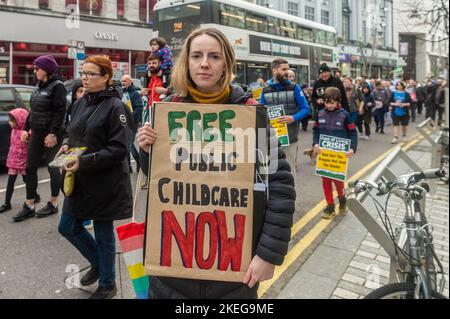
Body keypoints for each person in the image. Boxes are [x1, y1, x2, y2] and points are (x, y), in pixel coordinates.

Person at [136, 27, 296, 299]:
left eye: (214, 56)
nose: (205, 63)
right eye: (196, 55)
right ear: (186, 62)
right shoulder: (166, 108)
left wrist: (268, 255)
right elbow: (156, 174)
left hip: (234, 271)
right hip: (171, 270)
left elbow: (280, 184)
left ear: (226, 64)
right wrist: (144, 147)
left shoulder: (251, 114)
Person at [57, 55, 133, 299]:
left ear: (106, 78)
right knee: (68, 226)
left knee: (102, 230)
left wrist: (84, 161)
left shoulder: (115, 107)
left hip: (105, 181)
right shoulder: (79, 103)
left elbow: (119, 149)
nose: (84, 78)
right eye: (83, 73)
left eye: (91, 74)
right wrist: (67, 145)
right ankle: (99, 264)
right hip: (79, 177)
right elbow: (73, 132)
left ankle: (108, 284)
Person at [13, 55, 66, 222]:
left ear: (47, 70)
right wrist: (25, 129)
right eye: (34, 68)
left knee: (52, 167)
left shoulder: (58, 87)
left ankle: (54, 203)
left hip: (51, 134)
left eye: (37, 68)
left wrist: (53, 133)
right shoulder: (37, 87)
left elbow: (60, 112)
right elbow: (32, 111)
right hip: (36, 133)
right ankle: (29, 205)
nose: (34, 71)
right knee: (30, 167)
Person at [260, 58, 311, 176]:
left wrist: (293, 118)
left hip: (290, 139)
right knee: (270, 172)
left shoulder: (295, 87)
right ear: (274, 71)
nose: (287, 72)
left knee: (289, 172)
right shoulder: (265, 90)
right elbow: (261, 111)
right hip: (270, 138)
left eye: (288, 69)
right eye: (284, 69)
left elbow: (306, 109)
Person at [313, 87, 357, 219]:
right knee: (325, 181)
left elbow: (353, 133)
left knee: (338, 182)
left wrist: (352, 149)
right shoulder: (319, 114)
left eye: (332, 102)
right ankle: (330, 206)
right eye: (327, 102)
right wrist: (315, 144)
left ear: (338, 101)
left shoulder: (345, 115)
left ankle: (342, 198)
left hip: (339, 157)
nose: (329, 105)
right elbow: (316, 131)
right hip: (324, 156)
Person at [0, 108, 41, 213]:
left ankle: (34, 195)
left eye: (13, 120)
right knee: (10, 182)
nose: (10, 123)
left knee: (27, 181)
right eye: (10, 120)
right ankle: (7, 203)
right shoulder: (13, 130)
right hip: (13, 160)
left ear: (21, 120)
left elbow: (31, 146)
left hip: (24, 161)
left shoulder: (27, 132)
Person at [121, 74, 143, 173]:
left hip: (132, 122)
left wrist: (131, 116)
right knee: (127, 144)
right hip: (123, 122)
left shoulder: (135, 93)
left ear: (130, 82)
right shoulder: (122, 93)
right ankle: (129, 165)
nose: (122, 83)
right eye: (122, 81)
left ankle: (137, 162)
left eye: (125, 81)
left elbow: (139, 107)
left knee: (129, 144)